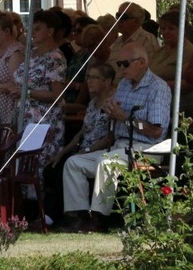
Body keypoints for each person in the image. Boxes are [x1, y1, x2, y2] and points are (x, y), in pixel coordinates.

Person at [62, 43, 171, 232]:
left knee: (107, 163)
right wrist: (112, 115)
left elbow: (156, 131)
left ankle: (99, 218)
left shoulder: (158, 88)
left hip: (146, 149)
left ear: (142, 62)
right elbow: (116, 118)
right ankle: (78, 216)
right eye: (119, 64)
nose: (121, 68)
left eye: (125, 64)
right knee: (74, 163)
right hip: (119, 146)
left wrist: (125, 118)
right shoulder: (123, 85)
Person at [44, 63, 115, 227]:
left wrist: (87, 150)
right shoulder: (93, 103)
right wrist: (61, 153)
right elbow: (81, 133)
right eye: (88, 77)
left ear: (107, 81)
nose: (89, 81)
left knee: (64, 168)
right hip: (83, 149)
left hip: (101, 150)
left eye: (95, 78)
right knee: (51, 168)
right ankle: (56, 215)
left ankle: (59, 217)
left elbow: (110, 137)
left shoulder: (114, 102)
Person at [7, 9, 67, 194]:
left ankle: (43, 211)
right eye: (31, 28)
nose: (33, 32)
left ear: (50, 31)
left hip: (44, 121)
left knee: (38, 164)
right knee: (23, 164)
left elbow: (57, 95)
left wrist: (27, 92)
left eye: (38, 28)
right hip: (24, 118)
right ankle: (25, 212)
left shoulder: (55, 58)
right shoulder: (30, 54)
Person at [149, 11, 193, 118]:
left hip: (179, 107)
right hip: (156, 102)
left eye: (171, 28)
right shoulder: (160, 51)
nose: (166, 32)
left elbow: (188, 84)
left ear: (183, 30)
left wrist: (159, 85)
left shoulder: (189, 51)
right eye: (163, 28)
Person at [108, 2, 159, 79]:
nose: (119, 20)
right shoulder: (117, 42)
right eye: (118, 16)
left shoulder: (148, 40)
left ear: (137, 21)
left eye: (124, 17)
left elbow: (150, 72)